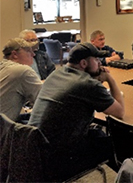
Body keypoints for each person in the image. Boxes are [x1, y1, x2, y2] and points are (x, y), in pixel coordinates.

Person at [28, 42, 125, 181]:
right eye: (96, 60)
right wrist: (110, 79)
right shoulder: (86, 84)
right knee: (115, 145)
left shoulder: (57, 73)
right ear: (84, 63)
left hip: (34, 149)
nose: (100, 63)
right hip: (58, 159)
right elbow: (120, 112)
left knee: (97, 134)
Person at [0, 38, 42, 122]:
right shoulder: (23, 71)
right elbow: (42, 102)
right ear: (15, 54)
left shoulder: (3, 67)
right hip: (3, 131)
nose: (33, 54)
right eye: (29, 51)